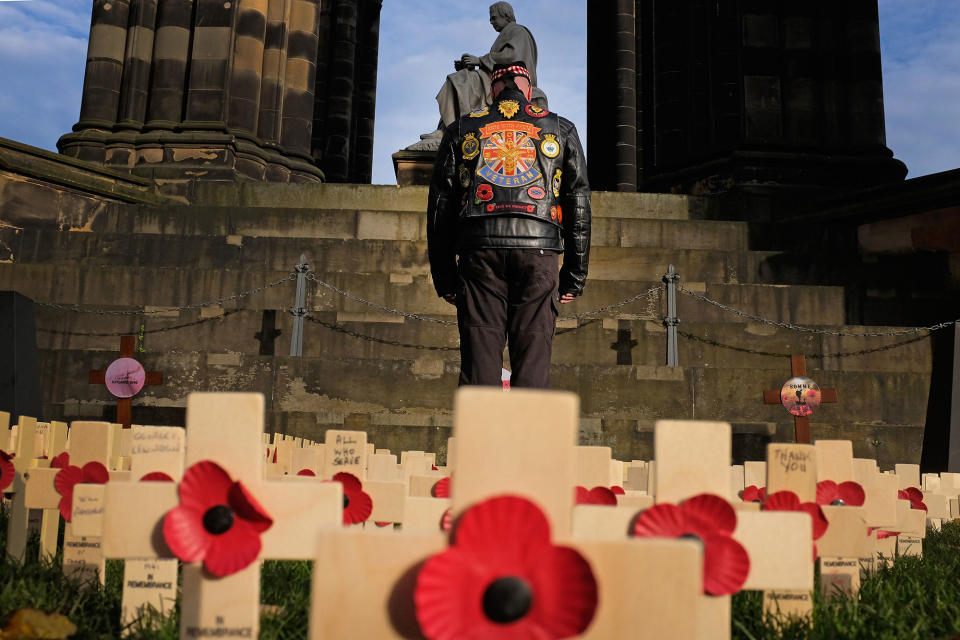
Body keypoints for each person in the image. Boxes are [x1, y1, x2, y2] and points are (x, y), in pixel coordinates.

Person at [427, 61, 590, 389]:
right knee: (532, 356)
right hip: (539, 249)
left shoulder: (463, 127)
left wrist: (444, 277)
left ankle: (478, 437)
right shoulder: (561, 128)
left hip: (479, 251)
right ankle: (528, 436)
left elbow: (440, 208)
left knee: (480, 357)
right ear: (528, 89)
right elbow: (579, 205)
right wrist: (574, 275)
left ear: (492, 90)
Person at [422, 2, 547, 139]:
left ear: (505, 15)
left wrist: (480, 61)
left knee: (460, 80)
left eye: (494, 18)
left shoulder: (518, 31)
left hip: (510, 81)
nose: (491, 22)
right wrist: (473, 65)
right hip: (496, 77)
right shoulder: (509, 32)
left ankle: (448, 130)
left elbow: (513, 57)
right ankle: (447, 128)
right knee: (460, 79)